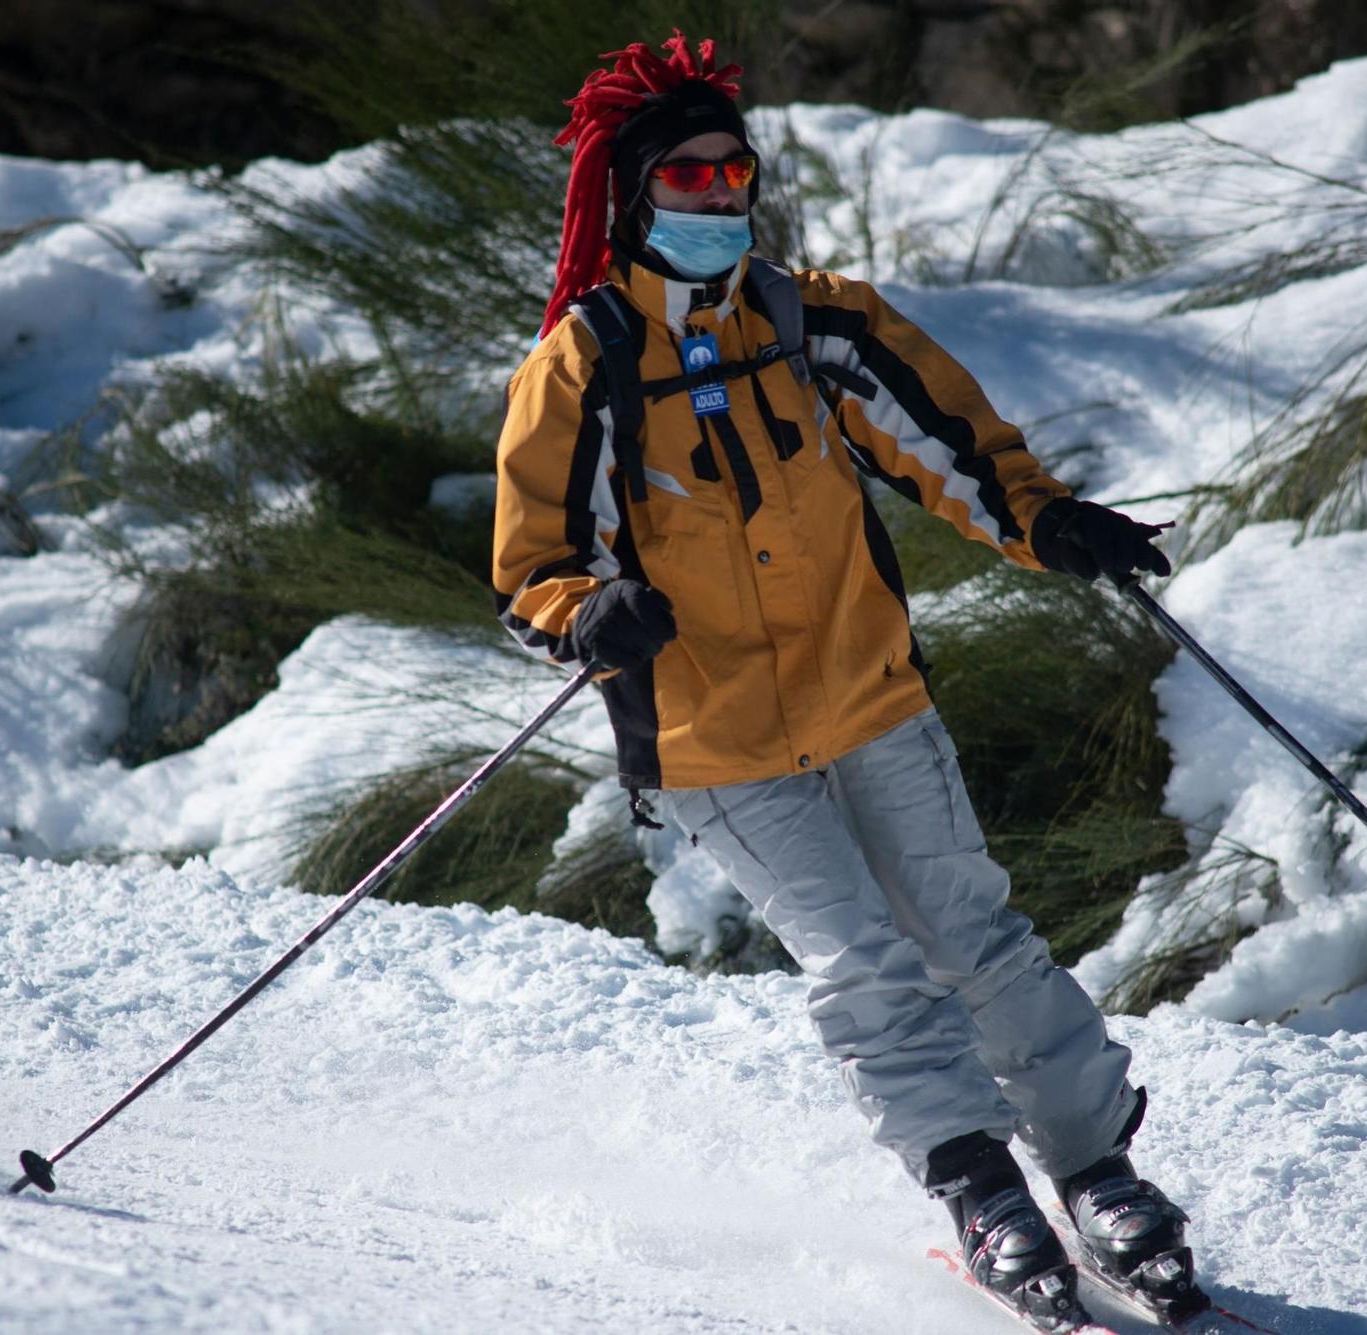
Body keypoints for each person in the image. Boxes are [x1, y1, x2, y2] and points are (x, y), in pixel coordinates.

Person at [492, 32, 1191, 1330]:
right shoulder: (583, 363)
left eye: (732, 174)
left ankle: (1098, 1172)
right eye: (687, 179)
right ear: (637, 194)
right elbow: (534, 561)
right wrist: (592, 611)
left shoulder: (816, 321)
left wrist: (1048, 524)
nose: (715, 198)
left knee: (973, 933)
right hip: (714, 738)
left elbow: (952, 448)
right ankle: (981, 1186)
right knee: (868, 960)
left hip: (869, 692)